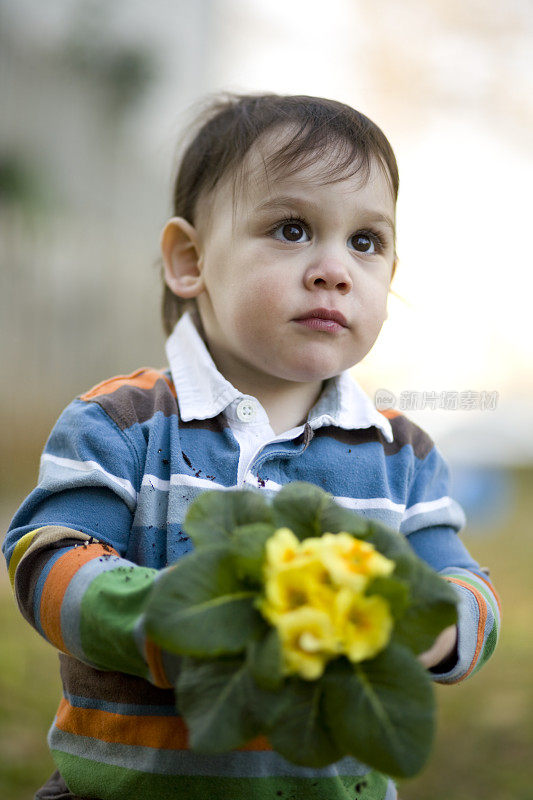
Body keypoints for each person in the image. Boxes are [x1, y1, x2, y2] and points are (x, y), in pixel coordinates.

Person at [3, 94, 500, 800]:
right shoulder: (120, 421)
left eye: (365, 242)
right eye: (292, 228)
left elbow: (466, 586)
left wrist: (433, 629)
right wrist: (178, 619)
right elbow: (44, 557)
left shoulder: (403, 455)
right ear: (190, 259)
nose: (335, 268)